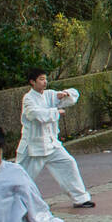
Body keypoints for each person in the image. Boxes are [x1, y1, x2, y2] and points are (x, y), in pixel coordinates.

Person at [17, 68, 94, 208]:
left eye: (45, 78)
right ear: (32, 82)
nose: (45, 81)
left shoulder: (50, 95)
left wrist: (65, 94)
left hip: (52, 145)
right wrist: (56, 112)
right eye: (41, 79)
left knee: (68, 163)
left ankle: (80, 198)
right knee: (21, 176)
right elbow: (34, 114)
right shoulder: (28, 99)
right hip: (34, 147)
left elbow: (72, 97)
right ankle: (13, 202)